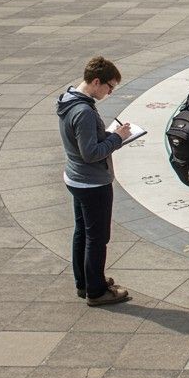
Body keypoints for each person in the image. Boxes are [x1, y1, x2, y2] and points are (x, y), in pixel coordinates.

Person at [57, 56, 134, 306]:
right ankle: (96, 290)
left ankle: (86, 282)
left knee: (83, 233)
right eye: (109, 87)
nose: (110, 92)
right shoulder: (84, 112)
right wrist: (117, 138)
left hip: (75, 177)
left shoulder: (69, 100)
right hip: (92, 183)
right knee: (97, 238)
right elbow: (90, 153)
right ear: (96, 81)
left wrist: (108, 135)